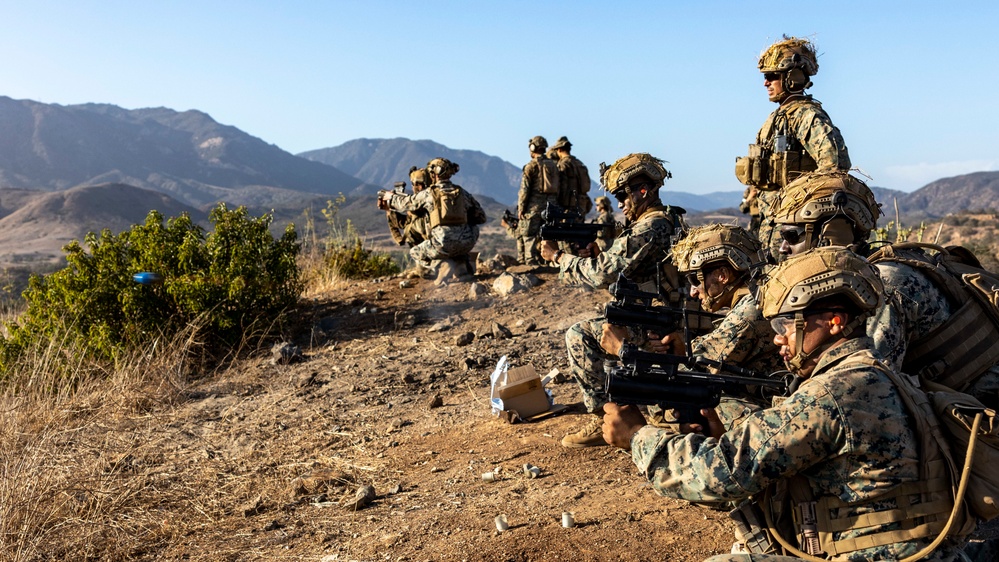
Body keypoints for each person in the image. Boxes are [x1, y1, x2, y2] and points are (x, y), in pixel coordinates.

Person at [604, 247, 972, 561]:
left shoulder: (832, 392)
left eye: (785, 325)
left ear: (833, 322)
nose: (778, 339)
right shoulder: (879, 374)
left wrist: (637, 437)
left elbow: (721, 474)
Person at [770, 170, 999, 408]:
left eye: (792, 235)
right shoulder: (862, 276)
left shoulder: (883, 284)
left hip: (980, 424)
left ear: (831, 232)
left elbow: (862, 391)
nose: (784, 248)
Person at [549, 153, 684, 448]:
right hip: (660, 317)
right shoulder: (666, 219)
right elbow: (627, 270)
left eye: (622, 195)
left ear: (643, 191)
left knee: (579, 336)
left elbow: (601, 274)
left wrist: (559, 258)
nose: (620, 203)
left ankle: (611, 416)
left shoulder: (652, 226)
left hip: (659, 325)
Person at [601, 224, 782, 429]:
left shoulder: (751, 310)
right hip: (768, 393)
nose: (694, 292)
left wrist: (621, 349)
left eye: (695, 280)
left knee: (704, 399)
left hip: (773, 408)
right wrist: (682, 351)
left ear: (723, 274)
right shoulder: (760, 293)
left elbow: (694, 375)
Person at [735, 36, 851, 257]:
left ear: (793, 77)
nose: (765, 83)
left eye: (771, 76)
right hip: (771, 226)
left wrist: (802, 206)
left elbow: (835, 167)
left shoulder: (807, 116)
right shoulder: (777, 119)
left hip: (794, 233)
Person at [380, 157, 486, 280]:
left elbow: (405, 204)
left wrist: (391, 198)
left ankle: (440, 266)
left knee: (415, 252)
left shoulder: (429, 194)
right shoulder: (462, 193)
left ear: (433, 174)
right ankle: (460, 266)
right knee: (470, 228)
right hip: (467, 243)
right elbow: (481, 218)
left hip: (443, 245)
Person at [516, 136, 560, 266]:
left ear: (532, 148)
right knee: (548, 234)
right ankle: (548, 262)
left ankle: (531, 263)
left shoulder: (531, 166)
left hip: (534, 206)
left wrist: (521, 208)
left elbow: (525, 189)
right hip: (552, 206)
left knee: (528, 235)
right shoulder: (554, 165)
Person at [382, 166, 431, 248]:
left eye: (413, 184)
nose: (412, 187)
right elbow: (406, 222)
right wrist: (389, 210)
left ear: (419, 185)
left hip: (435, 248)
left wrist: (392, 199)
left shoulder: (425, 198)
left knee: (410, 232)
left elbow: (410, 225)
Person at [550, 136, 592, 218]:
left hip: (568, 206)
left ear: (559, 149)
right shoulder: (579, 163)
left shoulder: (563, 164)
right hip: (581, 205)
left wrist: (558, 203)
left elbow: (562, 186)